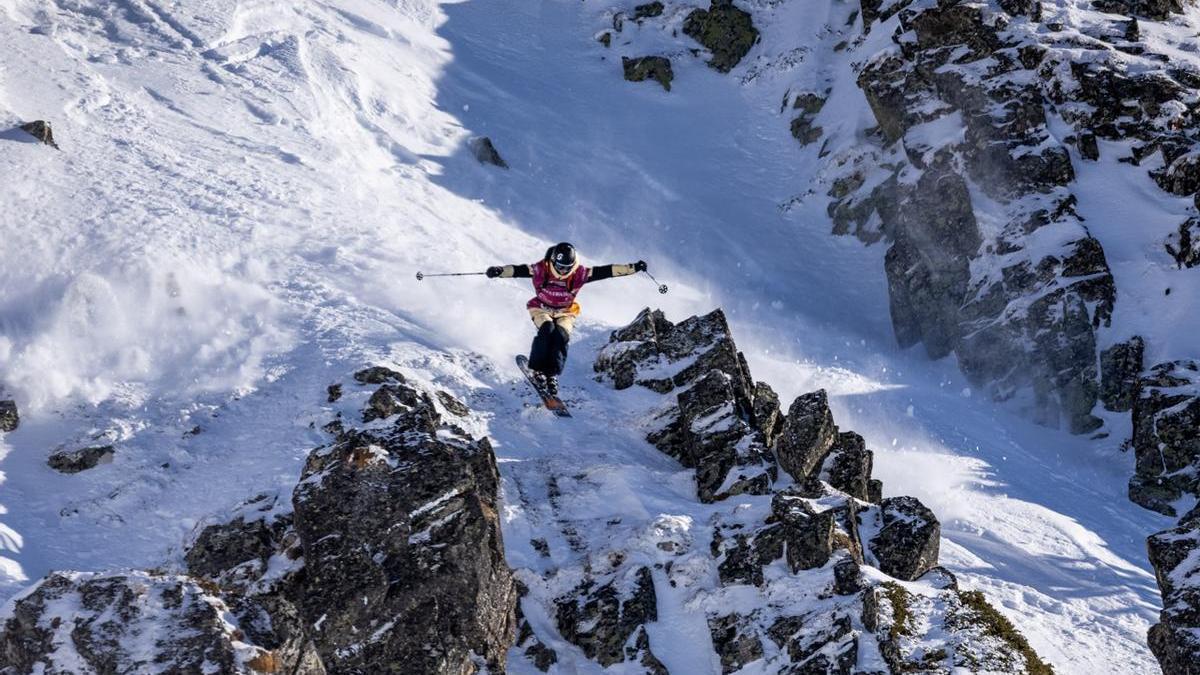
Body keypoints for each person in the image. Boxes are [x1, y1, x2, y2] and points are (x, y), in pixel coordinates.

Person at [488, 242, 647, 395]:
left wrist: (633, 268)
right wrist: (498, 271)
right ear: (552, 262)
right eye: (559, 267)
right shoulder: (541, 268)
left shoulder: (580, 273)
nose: (562, 272)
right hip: (541, 307)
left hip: (566, 311)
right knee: (547, 330)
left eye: (566, 268)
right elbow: (517, 270)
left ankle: (551, 375)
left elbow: (607, 271)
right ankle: (537, 369)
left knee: (561, 336)